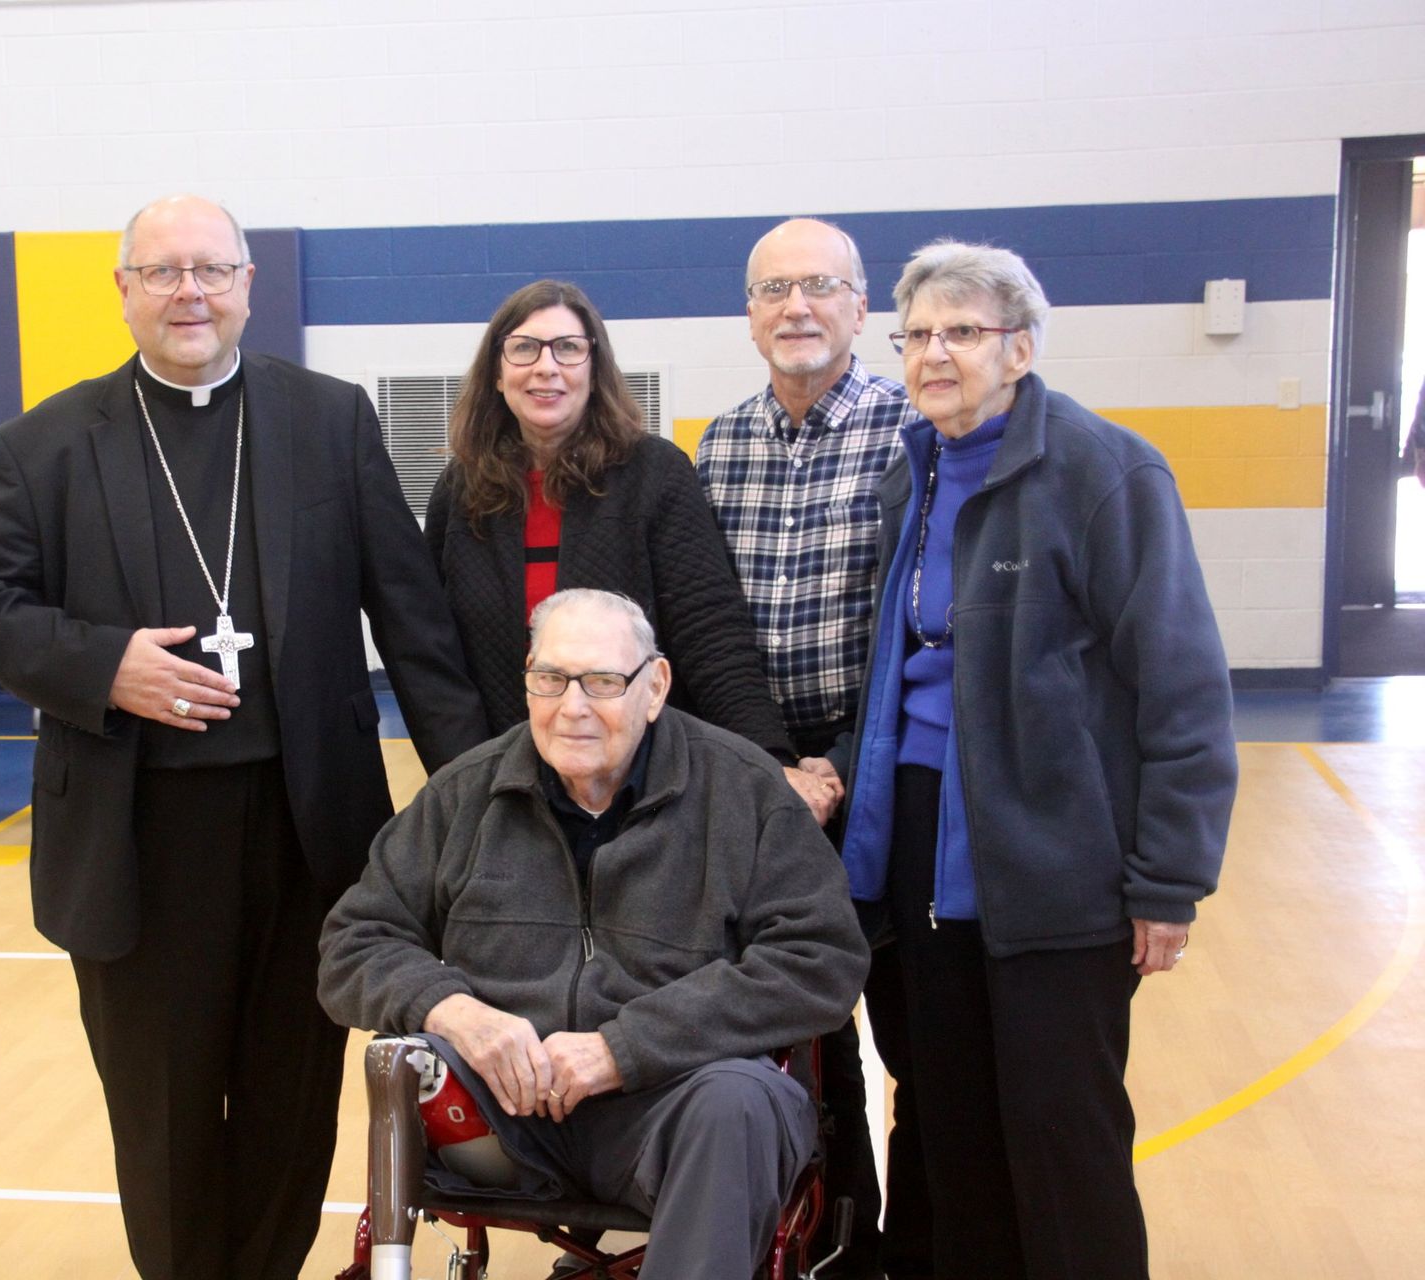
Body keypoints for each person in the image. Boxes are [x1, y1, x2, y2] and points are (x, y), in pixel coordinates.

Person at [0, 194, 486, 1280]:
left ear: (248, 284)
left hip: (307, 828)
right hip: (137, 833)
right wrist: (106, 665)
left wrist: (481, 793)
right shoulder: (41, 443)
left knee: (292, 1105)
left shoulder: (329, 419)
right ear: (124, 290)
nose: (188, 290)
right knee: (167, 1108)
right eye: (162, 271)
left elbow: (414, 622)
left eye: (210, 269)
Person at [820, 240, 1239, 1279]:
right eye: (917, 334)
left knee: (1062, 1134)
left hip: (1055, 864)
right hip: (918, 850)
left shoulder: (1106, 471)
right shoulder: (906, 475)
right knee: (947, 1122)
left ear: (1021, 346)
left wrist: (1169, 880)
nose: (935, 354)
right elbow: (896, 670)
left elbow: (1181, 686)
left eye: (963, 331)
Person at [319, 589, 869, 1280]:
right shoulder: (464, 795)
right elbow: (353, 940)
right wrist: (455, 1012)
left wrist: (622, 1049)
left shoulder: (746, 793)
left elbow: (821, 962)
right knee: (402, 1059)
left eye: (603, 682)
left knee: (740, 1103)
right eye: (550, 679)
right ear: (527, 677)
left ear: (655, 686)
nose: (572, 707)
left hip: (671, 1111)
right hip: (504, 1120)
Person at [696, 218, 926, 1279]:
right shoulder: (722, 443)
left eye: (820, 287)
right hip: (753, 771)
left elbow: (907, 625)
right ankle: (834, 1230)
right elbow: (706, 625)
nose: (797, 307)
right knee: (794, 1020)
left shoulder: (908, 433)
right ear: (749, 313)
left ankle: (909, 1242)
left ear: (860, 307)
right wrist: (768, 762)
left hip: (870, 767)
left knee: (901, 1018)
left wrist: (836, 760)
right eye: (775, 288)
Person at [426, 278, 835, 823]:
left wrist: (768, 761)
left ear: (594, 370)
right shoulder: (462, 490)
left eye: (568, 348)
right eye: (524, 348)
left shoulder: (654, 474)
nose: (546, 366)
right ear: (497, 374)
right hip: (512, 780)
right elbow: (440, 654)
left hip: (641, 780)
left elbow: (709, 630)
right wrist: (466, 773)